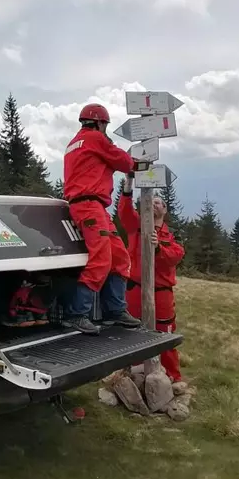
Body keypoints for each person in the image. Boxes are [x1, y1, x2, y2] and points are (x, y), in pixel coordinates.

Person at [62, 103, 142, 335]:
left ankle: (116, 310)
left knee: (119, 257)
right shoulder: (96, 139)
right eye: (105, 124)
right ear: (99, 123)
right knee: (101, 260)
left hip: (92, 206)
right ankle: (77, 314)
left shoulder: (75, 143)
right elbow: (124, 162)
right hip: (89, 206)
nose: (106, 128)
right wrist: (137, 162)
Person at [117, 172, 186, 382]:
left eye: (159, 202)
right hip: (134, 290)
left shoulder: (170, 237)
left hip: (161, 294)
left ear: (164, 210)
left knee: (164, 336)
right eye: (151, 201)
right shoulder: (136, 227)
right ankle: (133, 375)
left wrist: (157, 247)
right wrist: (128, 185)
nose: (154, 204)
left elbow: (174, 256)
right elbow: (124, 211)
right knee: (133, 334)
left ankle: (172, 378)